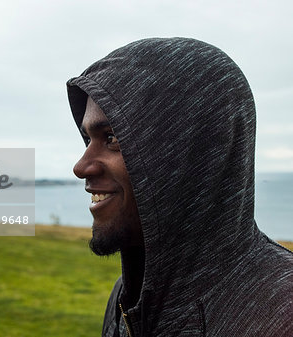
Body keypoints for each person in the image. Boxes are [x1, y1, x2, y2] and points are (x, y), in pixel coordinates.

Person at [66, 38, 293, 337]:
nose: (81, 167)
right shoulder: (129, 296)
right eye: (88, 139)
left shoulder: (281, 313)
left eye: (112, 138)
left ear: (190, 152)